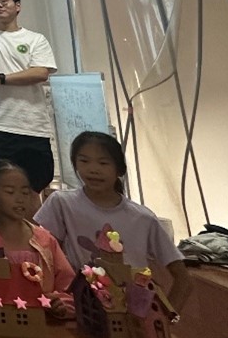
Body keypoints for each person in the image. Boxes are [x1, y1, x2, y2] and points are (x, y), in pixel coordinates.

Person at [34, 132, 191, 309]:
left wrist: (168, 317)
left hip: (133, 312)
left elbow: (184, 279)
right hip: (82, 307)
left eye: (103, 163)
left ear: (120, 169)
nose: (93, 169)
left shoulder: (143, 218)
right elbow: (42, 253)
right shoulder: (62, 203)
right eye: (84, 161)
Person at [0, 0, 57, 218]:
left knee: (32, 186)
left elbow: (41, 72)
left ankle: (31, 236)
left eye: (4, 1)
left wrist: (1, 79)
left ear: (17, 6)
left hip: (31, 126)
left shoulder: (35, 39)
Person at [0, 160, 74, 318]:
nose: (20, 199)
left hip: (44, 324)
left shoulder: (45, 240)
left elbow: (68, 285)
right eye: (10, 192)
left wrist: (61, 303)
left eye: (25, 192)